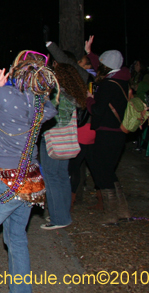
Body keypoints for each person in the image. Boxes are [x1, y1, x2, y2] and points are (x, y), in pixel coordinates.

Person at [0, 54, 58, 293]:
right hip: (32, 179)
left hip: (5, 179)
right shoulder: (41, 107)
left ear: (18, 72)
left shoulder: (4, 95)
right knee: (16, 239)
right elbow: (51, 107)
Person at [39, 62, 87, 230]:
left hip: (52, 139)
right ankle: (63, 214)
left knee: (51, 178)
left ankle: (59, 218)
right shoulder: (74, 95)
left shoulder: (57, 96)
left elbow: (48, 116)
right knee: (61, 177)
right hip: (66, 140)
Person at [85, 48, 131, 224]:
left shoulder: (107, 85)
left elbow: (97, 110)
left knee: (101, 172)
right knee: (109, 171)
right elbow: (104, 67)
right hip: (119, 133)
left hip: (105, 132)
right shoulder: (122, 80)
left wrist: (89, 98)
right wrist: (91, 53)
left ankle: (111, 214)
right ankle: (123, 210)